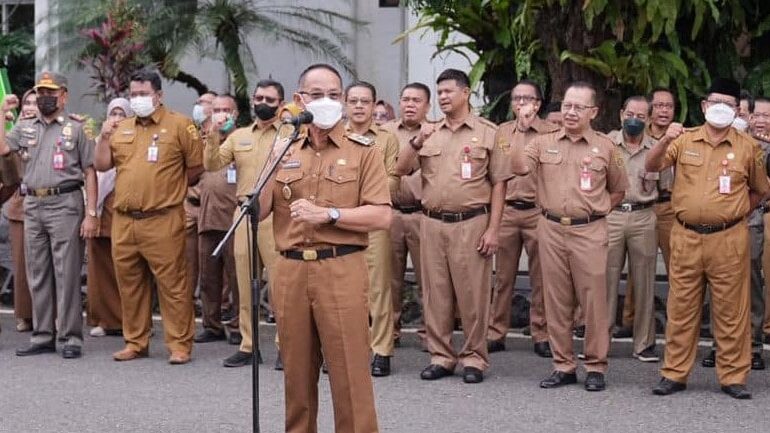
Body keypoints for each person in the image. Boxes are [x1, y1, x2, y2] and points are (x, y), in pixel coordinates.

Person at [257, 63, 390, 433]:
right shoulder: (285, 147)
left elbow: (381, 216)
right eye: (318, 95)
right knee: (296, 374)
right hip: (291, 270)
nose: (327, 102)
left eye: (335, 95)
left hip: (340, 268)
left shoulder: (364, 151)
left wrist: (329, 214)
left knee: (349, 374)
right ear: (300, 100)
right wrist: (272, 157)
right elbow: (259, 211)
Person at [647, 78, 770, 400]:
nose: (720, 108)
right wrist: (663, 140)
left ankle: (733, 377)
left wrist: (735, 212)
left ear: (737, 110)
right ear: (703, 106)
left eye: (728, 104)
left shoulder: (749, 147)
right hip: (686, 237)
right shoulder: (683, 139)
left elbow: (760, 189)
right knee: (681, 309)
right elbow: (651, 166)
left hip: (729, 239)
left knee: (731, 312)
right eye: (715, 101)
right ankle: (674, 373)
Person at [512, 81, 628, 392]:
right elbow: (518, 167)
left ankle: (595, 365)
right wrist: (523, 130)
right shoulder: (542, 142)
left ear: (594, 111)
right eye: (567, 106)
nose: (571, 112)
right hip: (550, 228)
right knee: (556, 299)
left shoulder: (606, 147)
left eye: (578, 107)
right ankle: (563, 365)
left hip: (589, 230)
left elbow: (618, 188)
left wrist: (598, 209)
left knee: (593, 301)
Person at [395, 68, 509, 384]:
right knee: (435, 293)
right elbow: (401, 169)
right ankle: (441, 356)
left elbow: (499, 184)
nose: (443, 97)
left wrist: (494, 229)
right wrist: (417, 140)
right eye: (440, 92)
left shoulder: (488, 132)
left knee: (473, 295)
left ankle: (474, 357)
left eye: (448, 91)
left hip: (472, 222)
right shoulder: (430, 133)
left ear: (466, 92)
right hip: (431, 222)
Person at [95, 69, 203, 365]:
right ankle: (135, 341)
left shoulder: (180, 125)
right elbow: (102, 164)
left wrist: (170, 189)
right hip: (125, 220)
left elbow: (195, 168)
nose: (139, 99)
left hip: (163, 218)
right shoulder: (122, 127)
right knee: (129, 284)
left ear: (159, 95)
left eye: (144, 94)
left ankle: (180, 344)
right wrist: (104, 137)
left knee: (173, 285)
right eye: (134, 94)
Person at [0, 71, 98, 359]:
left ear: (63, 96)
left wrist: (91, 213)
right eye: (41, 92)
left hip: (65, 203)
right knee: (38, 271)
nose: (45, 98)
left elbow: (90, 171)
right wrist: (3, 112)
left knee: (66, 272)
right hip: (33, 204)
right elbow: (4, 148)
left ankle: (70, 337)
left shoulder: (76, 129)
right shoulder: (27, 127)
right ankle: (43, 334)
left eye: (51, 93)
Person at [202, 79, 284, 368]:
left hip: (277, 216)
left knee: (279, 285)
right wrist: (213, 133)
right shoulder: (238, 136)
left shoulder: (289, 135)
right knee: (245, 282)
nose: (263, 103)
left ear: (281, 104)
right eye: (259, 97)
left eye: (270, 100)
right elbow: (212, 164)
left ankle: (284, 346)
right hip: (243, 213)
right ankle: (249, 345)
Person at [487, 79, 559, 358]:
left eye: (526, 99)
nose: (521, 104)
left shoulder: (552, 132)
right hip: (506, 211)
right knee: (502, 277)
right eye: (516, 99)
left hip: (538, 212)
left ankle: (541, 333)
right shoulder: (502, 131)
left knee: (541, 277)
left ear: (538, 104)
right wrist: (519, 128)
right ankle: (496, 332)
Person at [344, 81, 400, 376]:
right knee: (344, 288)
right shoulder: (335, 136)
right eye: (353, 101)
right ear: (345, 104)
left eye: (365, 101)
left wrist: (363, 194)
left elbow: (393, 179)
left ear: (374, 105)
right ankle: (349, 349)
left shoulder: (387, 139)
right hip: (341, 221)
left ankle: (381, 350)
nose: (359, 106)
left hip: (374, 218)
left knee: (378, 286)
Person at [616, 87, 677, 338]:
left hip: (671, 208)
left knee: (676, 269)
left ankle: (676, 326)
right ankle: (629, 321)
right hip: (644, 208)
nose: (664, 110)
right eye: (659, 106)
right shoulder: (635, 137)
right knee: (636, 271)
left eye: (669, 106)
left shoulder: (681, 137)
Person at [605, 96, 659, 362]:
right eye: (629, 114)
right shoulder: (605, 144)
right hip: (612, 215)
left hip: (644, 216)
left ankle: (644, 343)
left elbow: (667, 186)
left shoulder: (657, 149)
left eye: (640, 115)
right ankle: (599, 342)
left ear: (649, 119)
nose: (634, 119)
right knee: (605, 279)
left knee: (644, 281)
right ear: (621, 114)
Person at [381, 82, 431, 348]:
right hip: (390, 213)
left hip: (422, 215)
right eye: (406, 99)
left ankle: (428, 333)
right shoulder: (385, 132)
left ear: (427, 106)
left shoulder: (436, 132)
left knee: (428, 278)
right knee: (390, 278)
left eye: (416, 100)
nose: (410, 104)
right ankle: (391, 331)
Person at [192, 94, 239, 344]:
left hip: (233, 219)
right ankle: (212, 324)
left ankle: (238, 325)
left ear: (236, 114)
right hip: (207, 217)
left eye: (226, 110)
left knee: (237, 278)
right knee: (208, 277)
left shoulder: (241, 140)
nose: (221, 115)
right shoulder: (205, 141)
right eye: (217, 110)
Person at [87, 98, 132, 338]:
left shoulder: (135, 142)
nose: (116, 119)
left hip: (123, 208)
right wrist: (91, 213)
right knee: (99, 267)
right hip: (100, 209)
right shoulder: (98, 143)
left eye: (121, 114)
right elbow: (93, 174)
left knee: (126, 266)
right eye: (112, 114)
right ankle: (104, 319)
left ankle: (130, 320)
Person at [4, 89, 35, 333]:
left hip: (48, 204)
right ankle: (24, 314)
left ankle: (52, 316)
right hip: (19, 204)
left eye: (35, 103)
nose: (30, 107)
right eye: (27, 103)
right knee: (21, 265)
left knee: (49, 266)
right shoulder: (14, 133)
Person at [185, 91, 217, 318]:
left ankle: (219, 313)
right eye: (197, 102)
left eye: (203, 102)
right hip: (189, 205)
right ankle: (186, 309)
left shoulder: (225, 136)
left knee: (213, 268)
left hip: (214, 208)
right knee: (187, 265)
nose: (198, 106)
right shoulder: (191, 134)